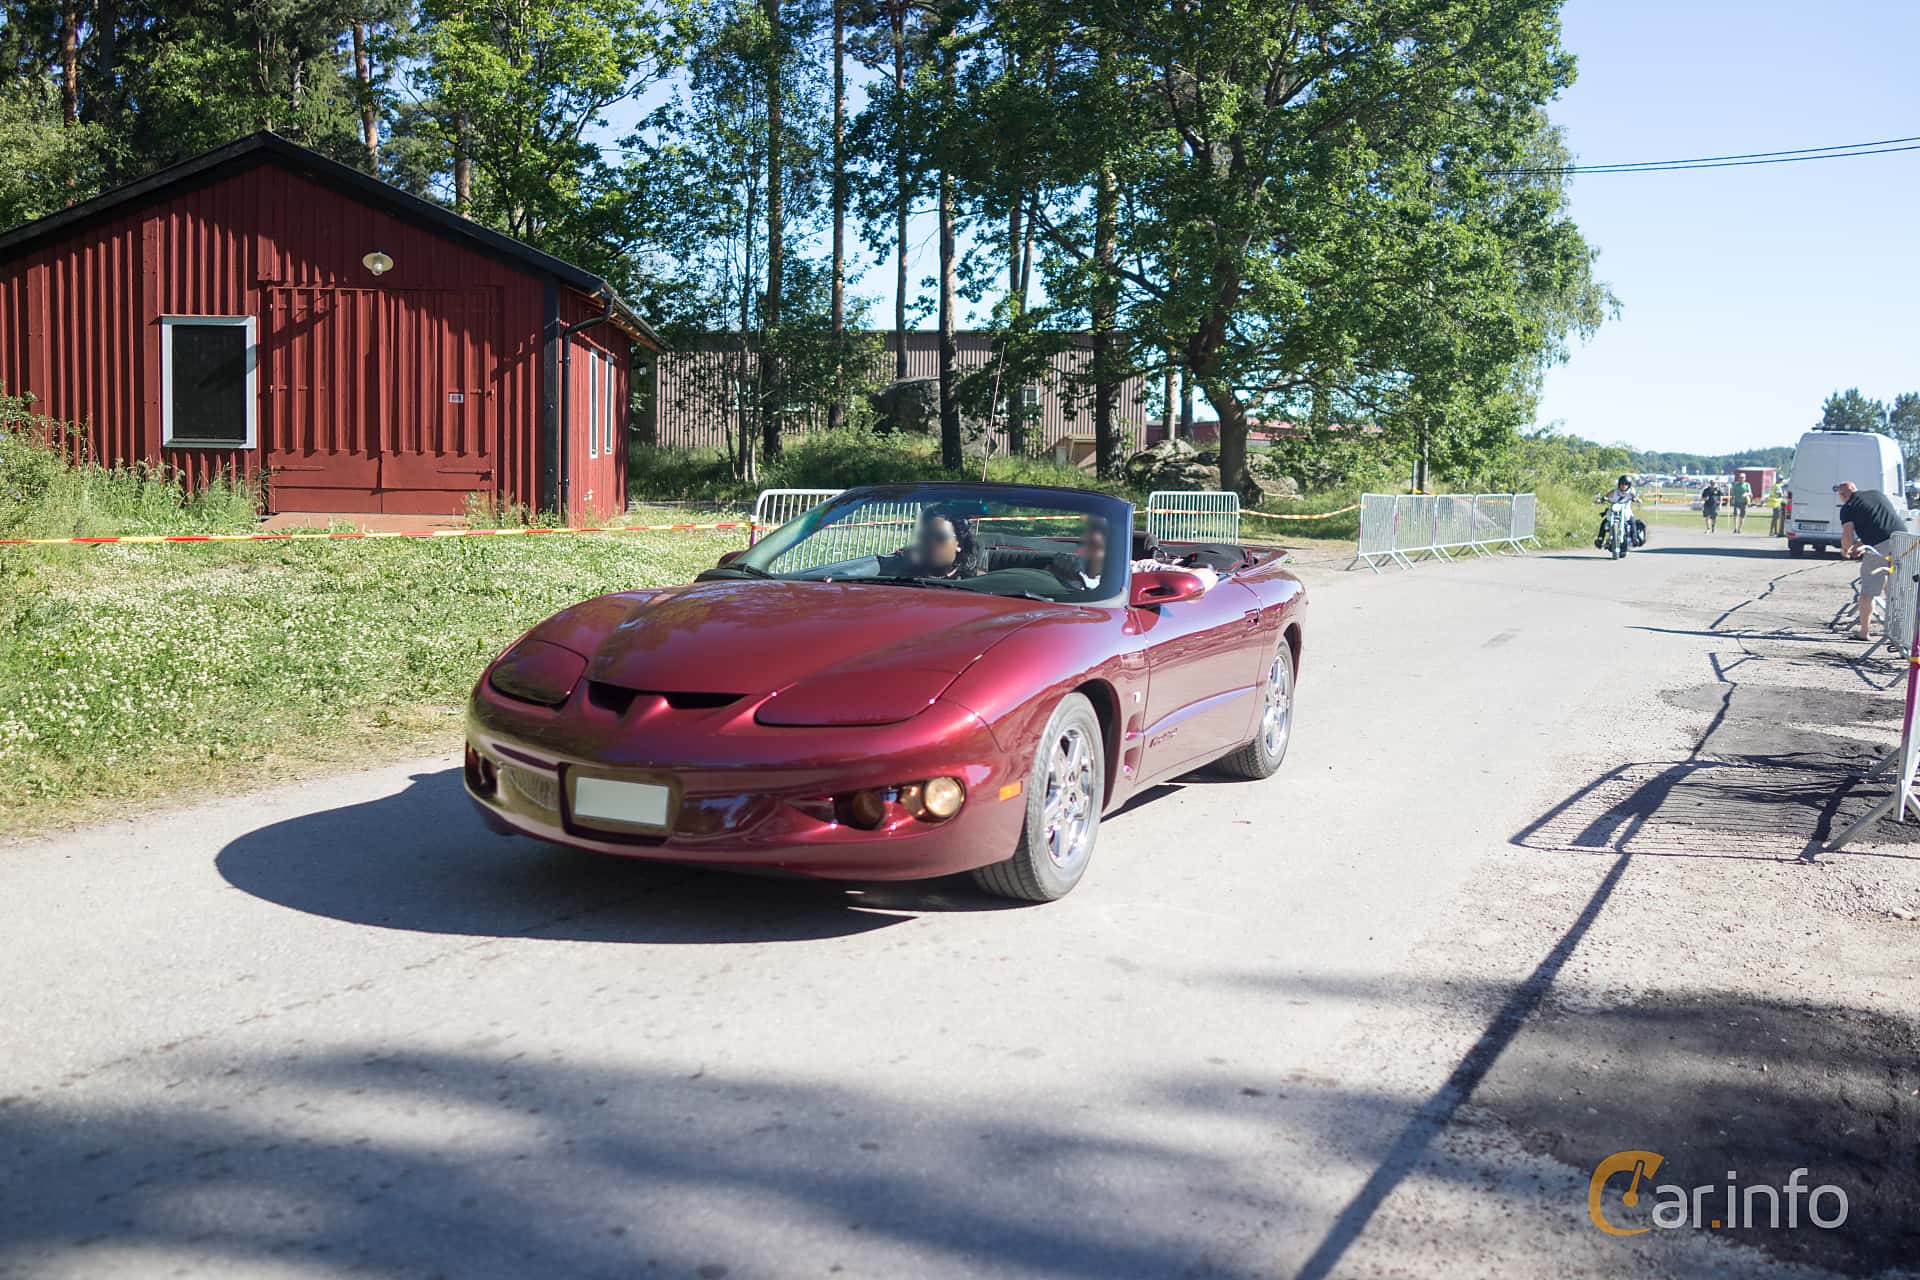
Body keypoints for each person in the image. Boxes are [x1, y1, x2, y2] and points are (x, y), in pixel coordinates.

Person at [1838, 480, 1912, 640]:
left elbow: (1847, 536)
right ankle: (1900, 630)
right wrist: (1861, 544)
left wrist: (1846, 550)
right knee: (1897, 587)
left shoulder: (1848, 507)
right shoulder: (1876, 494)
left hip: (1880, 546)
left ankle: (1864, 631)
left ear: (1843, 495)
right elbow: (1879, 525)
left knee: (1868, 591)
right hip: (1904, 541)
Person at [1069, 517, 1216, 594]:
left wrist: (1190, 585)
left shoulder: (1135, 570)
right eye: (1091, 532)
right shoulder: (1067, 564)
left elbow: (1207, 576)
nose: (1096, 538)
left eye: (1104, 533)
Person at [880, 507, 981, 580]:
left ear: (960, 544)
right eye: (924, 537)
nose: (930, 543)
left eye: (939, 537)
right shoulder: (901, 578)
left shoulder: (978, 582)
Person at [1594, 475, 1636, 549]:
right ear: (1619, 484)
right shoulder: (1615, 492)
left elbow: (1635, 497)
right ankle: (1600, 539)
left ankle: (1634, 538)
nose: (1623, 486)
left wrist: (1636, 499)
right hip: (1614, 509)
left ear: (1629, 485)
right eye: (1622, 484)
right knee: (1604, 522)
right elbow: (1606, 496)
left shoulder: (1631, 492)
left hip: (1626, 510)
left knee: (1632, 521)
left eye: (1626, 484)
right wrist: (1601, 499)